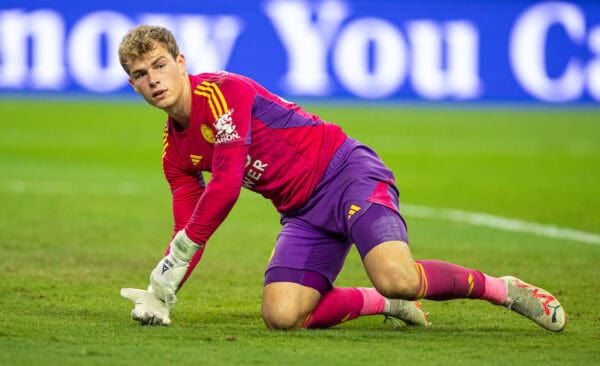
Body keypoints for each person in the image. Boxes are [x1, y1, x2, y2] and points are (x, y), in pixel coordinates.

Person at [118, 25, 566, 332]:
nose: (154, 80)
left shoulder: (223, 91)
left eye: (159, 65)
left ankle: (501, 288)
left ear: (181, 61)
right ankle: (386, 305)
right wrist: (164, 291)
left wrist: (168, 271)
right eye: (140, 74)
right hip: (302, 213)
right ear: (133, 85)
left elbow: (228, 182)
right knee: (282, 316)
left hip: (347, 173)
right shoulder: (174, 153)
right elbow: (187, 231)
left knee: (398, 275)